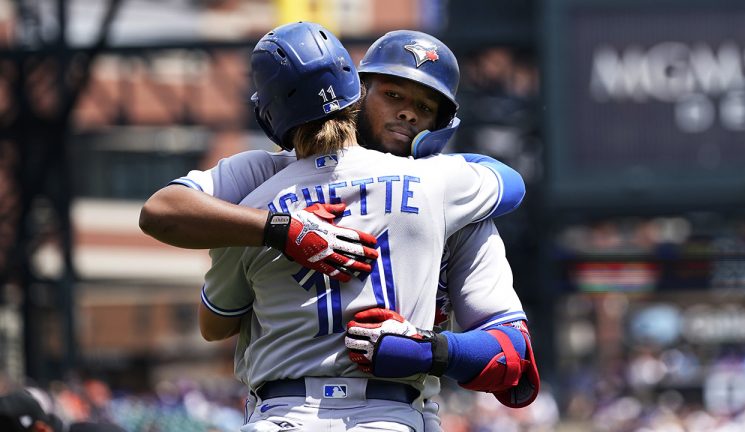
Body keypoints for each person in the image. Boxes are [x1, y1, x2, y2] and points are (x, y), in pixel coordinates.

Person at [139, 26, 538, 430]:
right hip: (388, 417)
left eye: (424, 107)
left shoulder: (249, 201)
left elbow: (215, 323)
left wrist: (431, 351)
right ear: (357, 93)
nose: (408, 113)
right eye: (393, 95)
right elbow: (510, 183)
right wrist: (283, 230)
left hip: (284, 415)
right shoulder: (445, 187)